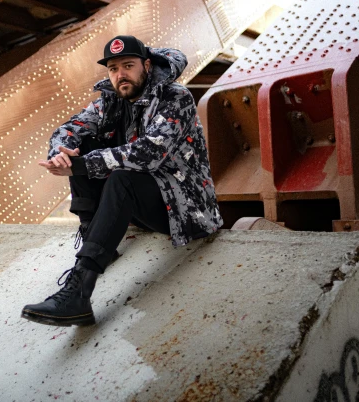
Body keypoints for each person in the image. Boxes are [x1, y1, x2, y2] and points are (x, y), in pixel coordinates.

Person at [21, 35, 223, 326]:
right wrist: (61, 153)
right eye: (113, 69)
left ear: (147, 66)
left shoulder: (175, 97)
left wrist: (82, 166)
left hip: (184, 209)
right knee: (86, 143)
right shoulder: (112, 102)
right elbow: (68, 128)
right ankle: (96, 236)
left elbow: (149, 154)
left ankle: (78, 294)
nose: (120, 75)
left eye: (128, 65)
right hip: (146, 201)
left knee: (120, 178)